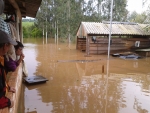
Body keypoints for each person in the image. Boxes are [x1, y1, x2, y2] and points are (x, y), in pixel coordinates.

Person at [0, 30, 17, 108]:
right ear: (4, 46)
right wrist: (9, 102)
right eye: (9, 45)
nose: (10, 47)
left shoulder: (1, 59)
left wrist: (8, 87)